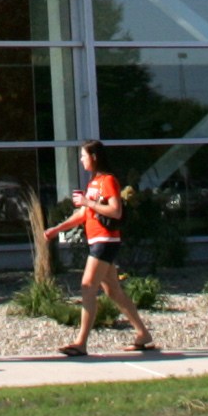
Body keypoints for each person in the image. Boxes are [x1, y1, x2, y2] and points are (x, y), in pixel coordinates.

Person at [41, 140, 156, 357]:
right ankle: (143, 334)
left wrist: (88, 202)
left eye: (84, 155)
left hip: (106, 241)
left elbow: (115, 211)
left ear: (94, 156)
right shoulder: (95, 182)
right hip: (97, 240)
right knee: (113, 290)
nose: (82, 159)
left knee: (87, 286)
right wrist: (57, 229)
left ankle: (81, 342)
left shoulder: (108, 180)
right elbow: (84, 214)